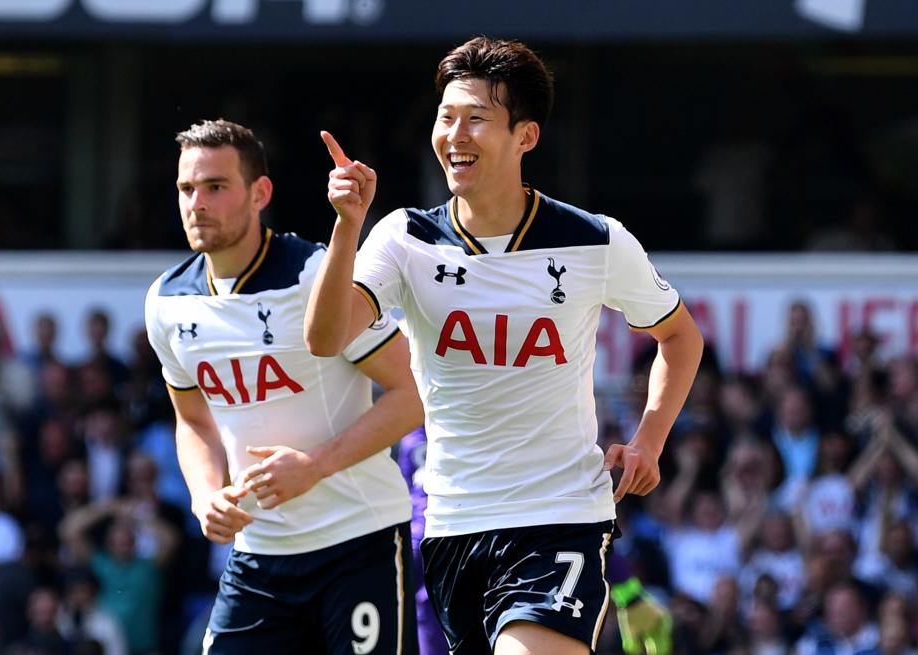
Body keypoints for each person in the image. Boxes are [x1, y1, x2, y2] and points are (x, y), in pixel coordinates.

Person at [305, 37, 703, 655]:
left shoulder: (594, 241)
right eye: (446, 117)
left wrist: (650, 439)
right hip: (451, 525)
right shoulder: (404, 238)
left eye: (477, 119)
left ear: (526, 136)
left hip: (561, 516)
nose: (454, 134)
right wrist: (346, 227)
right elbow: (326, 337)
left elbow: (678, 335)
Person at [144, 119, 422, 654]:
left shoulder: (312, 275)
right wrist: (205, 497)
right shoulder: (166, 301)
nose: (196, 203)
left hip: (356, 543)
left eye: (215, 187)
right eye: (186, 189)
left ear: (260, 194)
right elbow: (194, 420)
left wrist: (315, 466)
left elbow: (413, 391)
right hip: (258, 558)